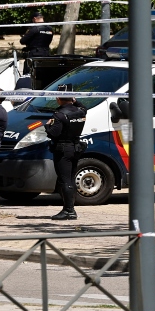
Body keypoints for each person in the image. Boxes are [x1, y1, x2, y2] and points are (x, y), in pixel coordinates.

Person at [47, 87, 87, 221]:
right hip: (75, 148)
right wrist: (75, 101)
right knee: (70, 178)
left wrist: (47, 126)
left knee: (65, 180)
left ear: (58, 99)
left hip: (63, 148)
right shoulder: (80, 111)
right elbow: (83, 107)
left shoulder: (59, 114)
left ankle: (69, 210)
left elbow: (54, 133)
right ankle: (69, 208)